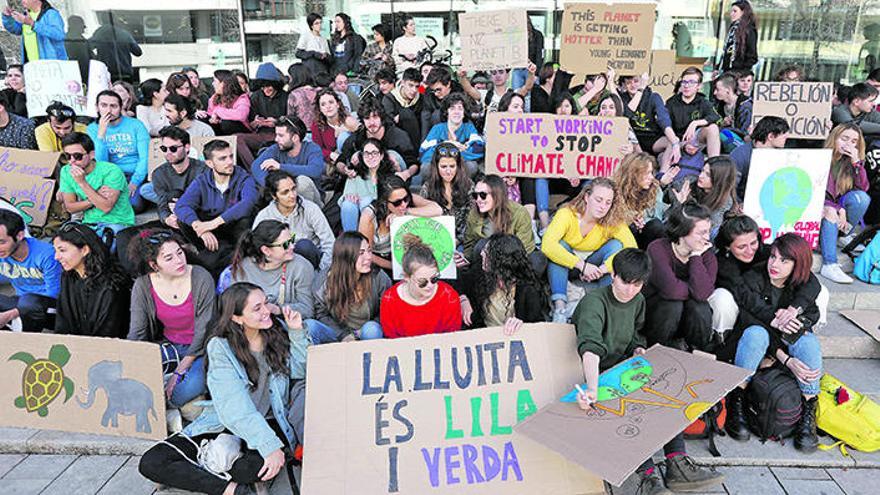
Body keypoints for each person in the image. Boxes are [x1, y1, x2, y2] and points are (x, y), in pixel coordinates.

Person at [571, 247, 725, 493]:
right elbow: (590, 349)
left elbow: (634, 334)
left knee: (666, 389)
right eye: (624, 282)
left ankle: (676, 462)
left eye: (637, 284)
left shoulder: (637, 300)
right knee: (630, 407)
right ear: (613, 276)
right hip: (592, 371)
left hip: (622, 366)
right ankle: (647, 476)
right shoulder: (594, 303)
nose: (629, 290)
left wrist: (637, 350)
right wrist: (592, 388)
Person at [138, 282, 309, 495]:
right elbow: (234, 406)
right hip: (225, 421)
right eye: (257, 308)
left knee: (249, 469)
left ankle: (209, 469)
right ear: (236, 318)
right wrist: (269, 446)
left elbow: (300, 372)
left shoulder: (277, 333)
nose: (267, 311)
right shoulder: (220, 347)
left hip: (270, 422)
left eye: (266, 303)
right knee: (152, 462)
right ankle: (231, 490)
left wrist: (296, 332)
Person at [727, 234, 823, 453]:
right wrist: (785, 358)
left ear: (798, 265)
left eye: (784, 260)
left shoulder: (802, 284)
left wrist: (794, 315)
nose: (774, 264)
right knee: (756, 334)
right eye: (773, 257)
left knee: (808, 342)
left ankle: (809, 406)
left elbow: (813, 311)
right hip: (753, 349)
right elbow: (749, 320)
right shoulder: (753, 279)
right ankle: (737, 399)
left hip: (784, 349)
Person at [127, 229, 213, 408]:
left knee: (187, 388)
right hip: (169, 346)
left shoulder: (200, 277)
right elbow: (137, 331)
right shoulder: (143, 285)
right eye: (169, 258)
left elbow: (205, 328)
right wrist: (131, 362)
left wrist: (180, 371)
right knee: (134, 381)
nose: (179, 260)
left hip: (201, 348)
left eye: (179, 253)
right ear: (154, 265)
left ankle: (170, 404)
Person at [542, 178, 636, 322]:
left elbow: (632, 248)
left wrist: (603, 269)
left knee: (616, 246)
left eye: (608, 202)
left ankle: (603, 306)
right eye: (598, 200)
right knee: (560, 245)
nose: (603, 206)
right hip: (568, 266)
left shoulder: (612, 220)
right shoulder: (567, 214)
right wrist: (582, 266)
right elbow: (547, 245)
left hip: (595, 267)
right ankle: (560, 308)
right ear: (586, 197)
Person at [175, 139, 259, 279]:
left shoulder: (244, 178)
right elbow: (181, 205)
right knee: (183, 219)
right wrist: (200, 228)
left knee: (245, 219)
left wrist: (213, 223)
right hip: (210, 232)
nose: (229, 162)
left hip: (233, 230)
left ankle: (237, 254)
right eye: (222, 158)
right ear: (209, 163)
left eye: (231, 156)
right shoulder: (202, 181)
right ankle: (206, 248)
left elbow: (248, 202)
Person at [643, 203, 717, 352]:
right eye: (701, 233)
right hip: (657, 315)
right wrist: (692, 289)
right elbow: (672, 291)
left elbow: (703, 294)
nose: (707, 238)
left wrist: (695, 256)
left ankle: (696, 352)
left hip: (687, 320)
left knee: (700, 307)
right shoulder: (658, 248)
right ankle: (657, 351)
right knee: (673, 304)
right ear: (683, 231)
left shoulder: (706, 255)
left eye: (708, 232)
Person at [50, 221, 130, 337]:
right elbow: (63, 321)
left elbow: (108, 331)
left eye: (62, 250)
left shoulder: (112, 284)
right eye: (55, 251)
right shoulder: (68, 276)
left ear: (84, 250)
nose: (56, 257)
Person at [307, 231, 390, 343]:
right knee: (310, 326)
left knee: (372, 329)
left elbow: (386, 311)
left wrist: (358, 333)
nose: (369, 257)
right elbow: (321, 314)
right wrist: (344, 335)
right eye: (361, 253)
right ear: (346, 256)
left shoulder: (378, 276)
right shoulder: (323, 282)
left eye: (369, 251)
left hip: (366, 332)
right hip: (338, 334)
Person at [229, 220, 315, 321]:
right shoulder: (243, 268)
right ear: (266, 250)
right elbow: (236, 306)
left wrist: (278, 310)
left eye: (292, 239)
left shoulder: (301, 266)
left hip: (289, 324)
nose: (292, 246)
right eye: (286, 244)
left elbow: (308, 310)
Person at [461, 233, 547, 330]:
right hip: (484, 337)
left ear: (501, 260)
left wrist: (522, 325)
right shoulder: (480, 274)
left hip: (512, 339)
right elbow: (458, 283)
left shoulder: (527, 290)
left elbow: (539, 326)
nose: (481, 253)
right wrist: (463, 300)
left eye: (487, 251)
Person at [380, 235, 462, 338]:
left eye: (434, 279)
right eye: (422, 282)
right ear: (406, 277)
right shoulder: (390, 300)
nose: (430, 286)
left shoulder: (449, 297)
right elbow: (392, 339)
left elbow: (452, 338)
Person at [819, 123, 871, 284]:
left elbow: (862, 189)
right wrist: (838, 208)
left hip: (839, 208)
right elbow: (815, 191)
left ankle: (843, 234)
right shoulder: (821, 157)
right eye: (844, 139)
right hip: (821, 207)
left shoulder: (851, 162)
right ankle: (830, 264)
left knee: (861, 198)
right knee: (830, 211)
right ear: (834, 138)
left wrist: (857, 164)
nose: (848, 144)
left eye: (854, 141)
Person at [253, 170, 335, 272]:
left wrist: (322, 271)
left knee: (304, 246)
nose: (292, 195)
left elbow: (329, 243)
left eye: (293, 189)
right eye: (285, 192)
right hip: (280, 265)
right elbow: (256, 249)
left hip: (310, 262)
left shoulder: (310, 209)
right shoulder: (265, 216)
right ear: (274, 196)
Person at [465, 174, 545, 276]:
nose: (478, 200)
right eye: (475, 196)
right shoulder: (474, 213)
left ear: (496, 194)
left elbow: (525, 248)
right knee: (481, 245)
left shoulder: (519, 213)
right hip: (487, 261)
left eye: (483, 195)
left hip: (514, 262)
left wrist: (500, 258)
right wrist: (465, 259)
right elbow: (469, 244)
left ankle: (516, 286)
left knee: (537, 260)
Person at [58, 132, 135, 237]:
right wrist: (94, 198)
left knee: (105, 245)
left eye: (77, 156)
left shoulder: (111, 171)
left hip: (117, 222)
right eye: (67, 156)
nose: (72, 161)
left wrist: (82, 183)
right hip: (89, 223)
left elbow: (106, 207)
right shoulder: (66, 171)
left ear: (91, 155)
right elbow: (70, 207)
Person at [86, 90, 151, 211]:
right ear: (97, 107)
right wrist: (101, 135)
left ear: (121, 107)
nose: (108, 110)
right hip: (109, 175)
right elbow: (100, 163)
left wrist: (135, 182)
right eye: (104, 105)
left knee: (134, 206)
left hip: (134, 173)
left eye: (113, 106)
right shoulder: (92, 129)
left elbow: (145, 157)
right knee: (105, 203)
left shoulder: (136, 125)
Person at [0, 209, 60, 332]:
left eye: (2, 242)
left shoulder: (46, 255)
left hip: (51, 308)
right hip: (20, 303)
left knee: (29, 301)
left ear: (20, 235)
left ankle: (26, 343)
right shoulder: (3, 254)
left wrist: (10, 314)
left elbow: (55, 294)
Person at [336, 98, 417, 181]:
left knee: (391, 155)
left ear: (381, 118)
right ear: (363, 121)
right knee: (358, 155)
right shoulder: (359, 136)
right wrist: (346, 170)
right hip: (367, 179)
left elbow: (413, 163)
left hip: (395, 179)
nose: (371, 123)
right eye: (367, 118)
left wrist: (406, 174)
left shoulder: (397, 136)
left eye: (375, 117)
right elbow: (340, 160)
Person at [250, 115, 323, 203]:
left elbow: (315, 170)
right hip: (284, 202)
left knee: (302, 182)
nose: (276, 139)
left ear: (295, 138)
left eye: (281, 136)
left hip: (311, 204)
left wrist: (280, 167)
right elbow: (256, 166)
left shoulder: (312, 149)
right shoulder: (276, 148)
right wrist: (274, 185)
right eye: (276, 135)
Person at [148, 126, 208, 230]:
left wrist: (183, 206)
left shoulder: (203, 170)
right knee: (125, 235)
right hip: (174, 219)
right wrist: (167, 219)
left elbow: (209, 202)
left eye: (173, 148)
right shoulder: (158, 174)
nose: (168, 153)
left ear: (187, 147)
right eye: (164, 149)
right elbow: (162, 203)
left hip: (199, 218)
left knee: (175, 194)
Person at [412, 141, 473, 244]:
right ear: (436, 167)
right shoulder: (428, 188)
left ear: (458, 166)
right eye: (444, 167)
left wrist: (457, 240)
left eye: (452, 166)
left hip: (463, 241)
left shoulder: (468, 186)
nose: (448, 171)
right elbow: (423, 219)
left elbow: (472, 221)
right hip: (435, 240)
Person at [612, 152, 677, 248]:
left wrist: (677, 204)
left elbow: (659, 217)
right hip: (625, 237)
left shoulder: (655, 189)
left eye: (651, 172)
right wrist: (632, 219)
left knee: (656, 225)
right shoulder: (616, 190)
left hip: (647, 238)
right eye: (647, 173)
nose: (651, 177)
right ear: (634, 174)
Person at [619, 73, 681, 168]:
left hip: (653, 139)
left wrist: (675, 144)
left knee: (673, 140)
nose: (632, 85)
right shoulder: (623, 98)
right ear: (624, 85)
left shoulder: (653, 97)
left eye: (636, 81)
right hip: (633, 140)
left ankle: (662, 175)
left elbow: (663, 119)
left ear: (643, 82)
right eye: (628, 83)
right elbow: (625, 116)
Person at [665, 67, 722, 166]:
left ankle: (714, 166)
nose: (687, 86)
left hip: (697, 140)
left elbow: (716, 117)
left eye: (692, 82)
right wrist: (681, 144)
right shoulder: (671, 103)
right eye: (684, 82)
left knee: (713, 128)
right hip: (677, 140)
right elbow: (665, 125)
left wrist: (695, 123)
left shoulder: (703, 102)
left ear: (699, 86)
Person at [671, 156, 738, 238]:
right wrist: (663, 184)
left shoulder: (724, 201)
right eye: (702, 171)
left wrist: (684, 204)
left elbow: (707, 230)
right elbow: (670, 216)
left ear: (719, 179)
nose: (701, 176)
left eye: (708, 175)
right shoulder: (688, 182)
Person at [420, 93, 484, 176]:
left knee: (471, 166)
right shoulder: (438, 128)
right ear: (447, 112)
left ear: (464, 112)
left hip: (460, 168)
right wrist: (447, 146)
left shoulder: (469, 128)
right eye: (452, 108)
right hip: (441, 168)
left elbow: (479, 149)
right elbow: (424, 153)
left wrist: (454, 154)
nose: (456, 112)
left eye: (460, 108)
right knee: (426, 168)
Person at [340, 138, 396, 231]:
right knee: (348, 205)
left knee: (367, 202)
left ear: (381, 155)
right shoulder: (356, 174)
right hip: (360, 214)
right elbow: (347, 195)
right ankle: (352, 239)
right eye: (366, 153)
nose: (370, 157)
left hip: (382, 215)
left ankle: (369, 237)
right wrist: (350, 197)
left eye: (374, 153)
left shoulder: (390, 175)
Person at [239, 63, 289, 168]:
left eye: (269, 86)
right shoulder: (256, 97)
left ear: (275, 84)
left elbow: (292, 120)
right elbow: (250, 124)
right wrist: (256, 122)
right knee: (236, 138)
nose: (266, 89)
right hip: (261, 134)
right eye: (263, 86)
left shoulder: (286, 97)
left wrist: (277, 122)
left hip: (280, 135)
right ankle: (253, 168)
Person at [730, 116, 789, 201]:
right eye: (783, 135)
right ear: (771, 136)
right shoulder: (740, 155)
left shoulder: (781, 155)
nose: (786, 137)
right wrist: (738, 204)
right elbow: (731, 188)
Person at [359, 175, 411, 272]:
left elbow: (436, 209)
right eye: (397, 203)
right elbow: (366, 253)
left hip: (403, 255)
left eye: (406, 198)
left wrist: (409, 211)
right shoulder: (368, 217)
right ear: (384, 202)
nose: (404, 204)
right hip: (378, 261)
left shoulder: (404, 202)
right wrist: (395, 267)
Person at [2, 0, 67, 62]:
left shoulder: (51, 14)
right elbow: (15, 30)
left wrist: (33, 24)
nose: (22, 1)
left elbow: (59, 34)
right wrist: (7, 18)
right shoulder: (26, 15)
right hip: (30, 65)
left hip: (51, 65)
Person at [311, 87, 360, 164]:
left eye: (331, 102)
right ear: (320, 109)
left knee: (343, 136)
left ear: (337, 104)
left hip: (352, 159)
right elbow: (317, 149)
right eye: (323, 104)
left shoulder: (349, 120)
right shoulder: (317, 125)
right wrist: (330, 154)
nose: (328, 106)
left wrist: (346, 131)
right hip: (331, 162)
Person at [89, 15, 142, 81]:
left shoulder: (99, 33)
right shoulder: (124, 33)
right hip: (125, 73)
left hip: (106, 73)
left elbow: (88, 47)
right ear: (115, 20)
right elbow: (138, 52)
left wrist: (96, 57)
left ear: (102, 21)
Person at [712, 73, 752, 149]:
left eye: (717, 89)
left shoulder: (745, 106)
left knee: (722, 133)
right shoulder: (719, 105)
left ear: (728, 91)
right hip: (726, 141)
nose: (715, 93)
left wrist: (722, 128)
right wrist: (722, 123)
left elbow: (744, 132)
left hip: (741, 143)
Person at [207, 69, 251, 135]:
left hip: (241, 131)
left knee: (226, 123)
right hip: (221, 130)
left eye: (215, 81)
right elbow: (210, 115)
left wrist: (217, 111)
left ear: (223, 84)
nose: (213, 84)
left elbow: (241, 115)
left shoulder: (242, 98)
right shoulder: (213, 98)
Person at [719, 0, 759, 72]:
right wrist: (718, 67)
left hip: (738, 72)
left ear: (743, 12)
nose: (731, 14)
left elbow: (752, 55)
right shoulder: (733, 28)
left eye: (735, 11)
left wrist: (742, 71)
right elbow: (726, 52)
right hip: (727, 70)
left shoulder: (749, 30)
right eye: (731, 11)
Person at [296, 13, 330, 77]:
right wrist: (314, 54)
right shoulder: (305, 36)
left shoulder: (324, 39)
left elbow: (329, 57)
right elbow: (298, 53)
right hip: (310, 72)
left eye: (320, 23)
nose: (319, 25)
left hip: (323, 72)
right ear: (311, 25)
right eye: (316, 23)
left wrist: (325, 56)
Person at [286, 63, 319, 129]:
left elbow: (291, 118)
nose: (289, 80)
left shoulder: (294, 94)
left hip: (302, 132)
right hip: (321, 131)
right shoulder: (320, 91)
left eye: (290, 77)